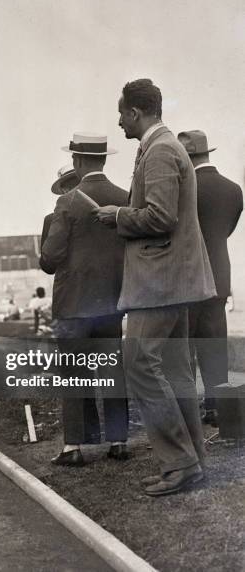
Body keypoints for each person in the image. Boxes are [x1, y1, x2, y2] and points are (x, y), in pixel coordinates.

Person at [95, 79, 216, 495]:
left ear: (135, 112)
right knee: (178, 372)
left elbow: (160, 217)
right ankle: (193, 460)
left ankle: (181, 463)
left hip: (160, 283)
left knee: (140, 365)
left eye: (121, 113)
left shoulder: (161, 150)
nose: (118, 121)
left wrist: (118, 216)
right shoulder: (163, 147)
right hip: (174, 280)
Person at [41, 133, 129, 465]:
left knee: (73, 374)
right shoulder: (124, 197)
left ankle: (73, 447)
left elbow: (50, 259)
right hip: (111, 302)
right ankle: (119, 441)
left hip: (73, 304)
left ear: (76, 162)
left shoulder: (68, 202)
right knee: (112, 371)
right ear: (103, 159)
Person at [177, 130, 243, 426]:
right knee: (215, 344)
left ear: (186, 158)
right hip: (219, 275)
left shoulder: (183, 188)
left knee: (186, 346)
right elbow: (225, 230)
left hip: (188, 277)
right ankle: (218, 408)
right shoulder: (233, 189)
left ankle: (193, 408)